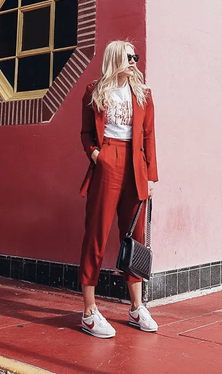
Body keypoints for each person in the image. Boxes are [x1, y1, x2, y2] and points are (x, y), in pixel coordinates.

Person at [79, 40, 159, 339]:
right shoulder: (94, 91)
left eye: (135, 56)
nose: (133, 61)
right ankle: (88, 311)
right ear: (114, 58)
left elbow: (149, 136)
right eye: (128, 57)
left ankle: (137, 308)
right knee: (96, 234)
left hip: (136, 165)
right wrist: (96, 155)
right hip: (108, 159)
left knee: (135, 237)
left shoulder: (143, 94)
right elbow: (87, 132)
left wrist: (150, 176)